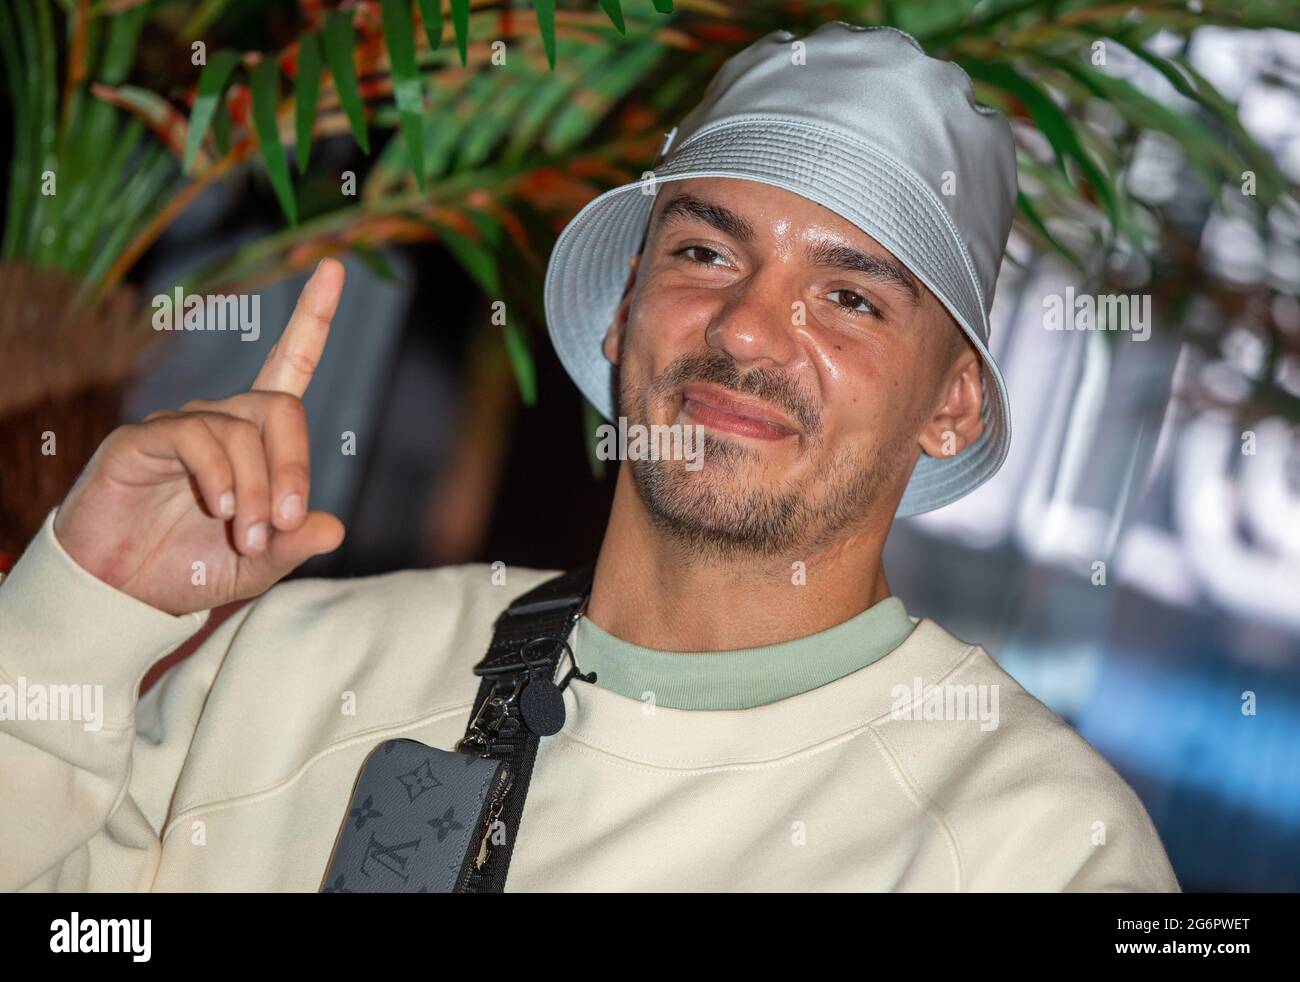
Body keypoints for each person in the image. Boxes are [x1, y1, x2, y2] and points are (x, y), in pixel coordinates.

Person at [0, 22, 1179, 891]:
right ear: (621, 318)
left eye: (850, 296)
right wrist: (81, 613)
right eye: (708, 255)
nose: (749, 329)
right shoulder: (283, 679)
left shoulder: (1036, 845)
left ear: (952, 404)